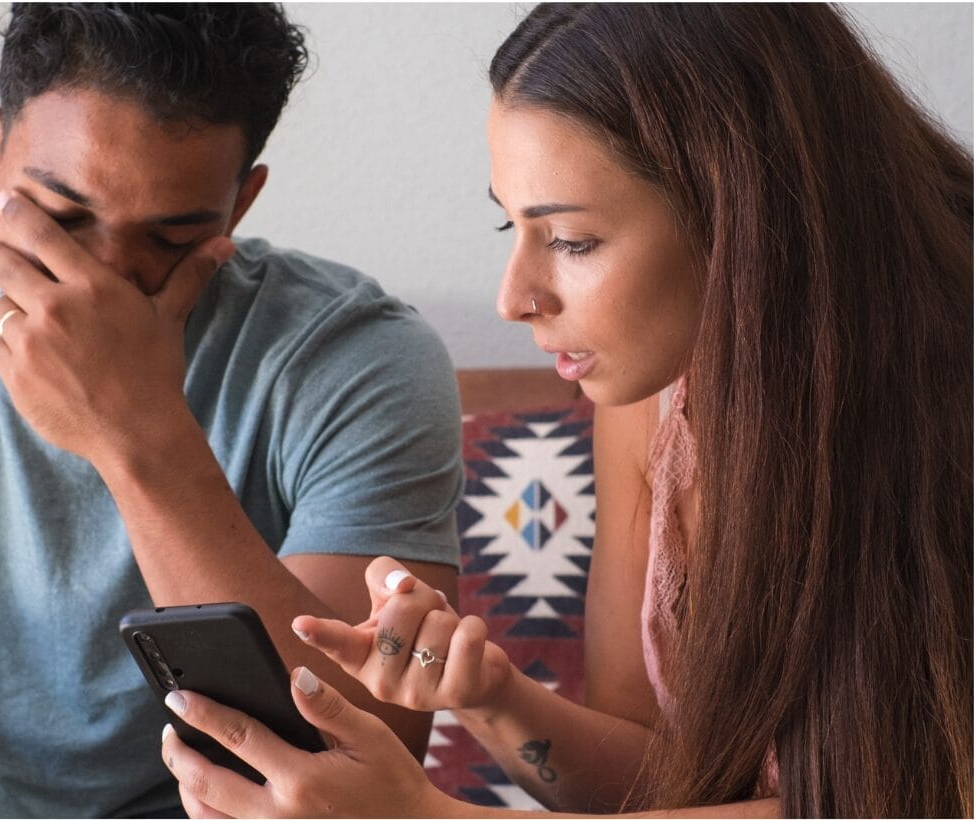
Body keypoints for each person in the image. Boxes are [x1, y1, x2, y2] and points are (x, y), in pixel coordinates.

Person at [157, 4, 973, 818]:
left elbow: (883, 800)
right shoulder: (653, 393)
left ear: (748, 215)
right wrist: (488, 696)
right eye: (509, 224)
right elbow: (662, 781)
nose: (514, 298)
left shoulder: (943, 404)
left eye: (572, 240)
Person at [0, 4, 463, 817]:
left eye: (169, 237)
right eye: (61, 218)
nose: (104, 283)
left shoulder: (357, 361)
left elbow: (364, 763)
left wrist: (135, 435)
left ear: (241, 202)